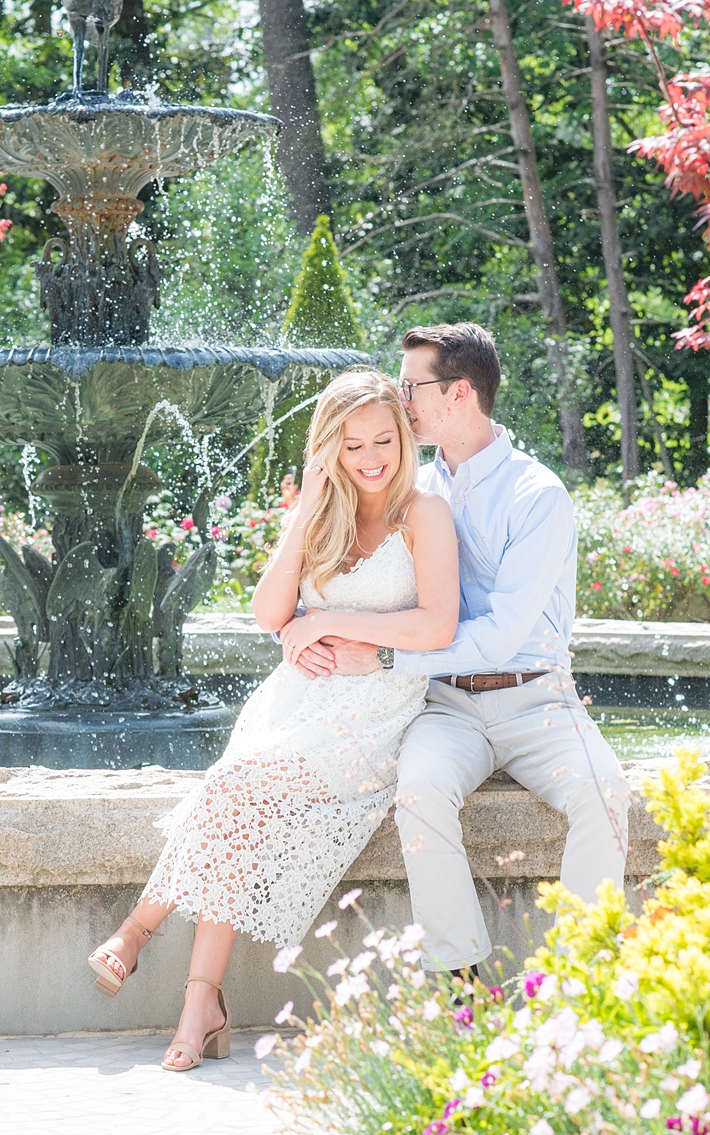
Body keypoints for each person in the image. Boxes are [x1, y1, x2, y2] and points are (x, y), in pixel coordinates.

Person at [85, 368, 460, 1071]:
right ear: (328, 449)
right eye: (351, 447)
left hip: (375, 710)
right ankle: (201, 999)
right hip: (294, 700)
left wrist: (330, 620)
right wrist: (307, 505)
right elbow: (268, 615)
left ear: (404, 439)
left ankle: (142, 938)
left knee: (234, 788)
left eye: (383, 440)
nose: (371, 458)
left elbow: (439, 623)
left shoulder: (424, 513)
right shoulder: (324, 506)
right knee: (237, 791)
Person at [295, 323, 630, 978]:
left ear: (459, 394)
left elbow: (504, 633)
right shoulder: (408, 487)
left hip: (539, 702)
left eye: (410, 386)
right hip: (445, 707)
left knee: (605, 792)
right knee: (418, 791)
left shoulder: (537, 496)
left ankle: (574, 985)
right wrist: (296, 624)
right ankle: (464, 985)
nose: (401, 399)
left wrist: (386, 657)